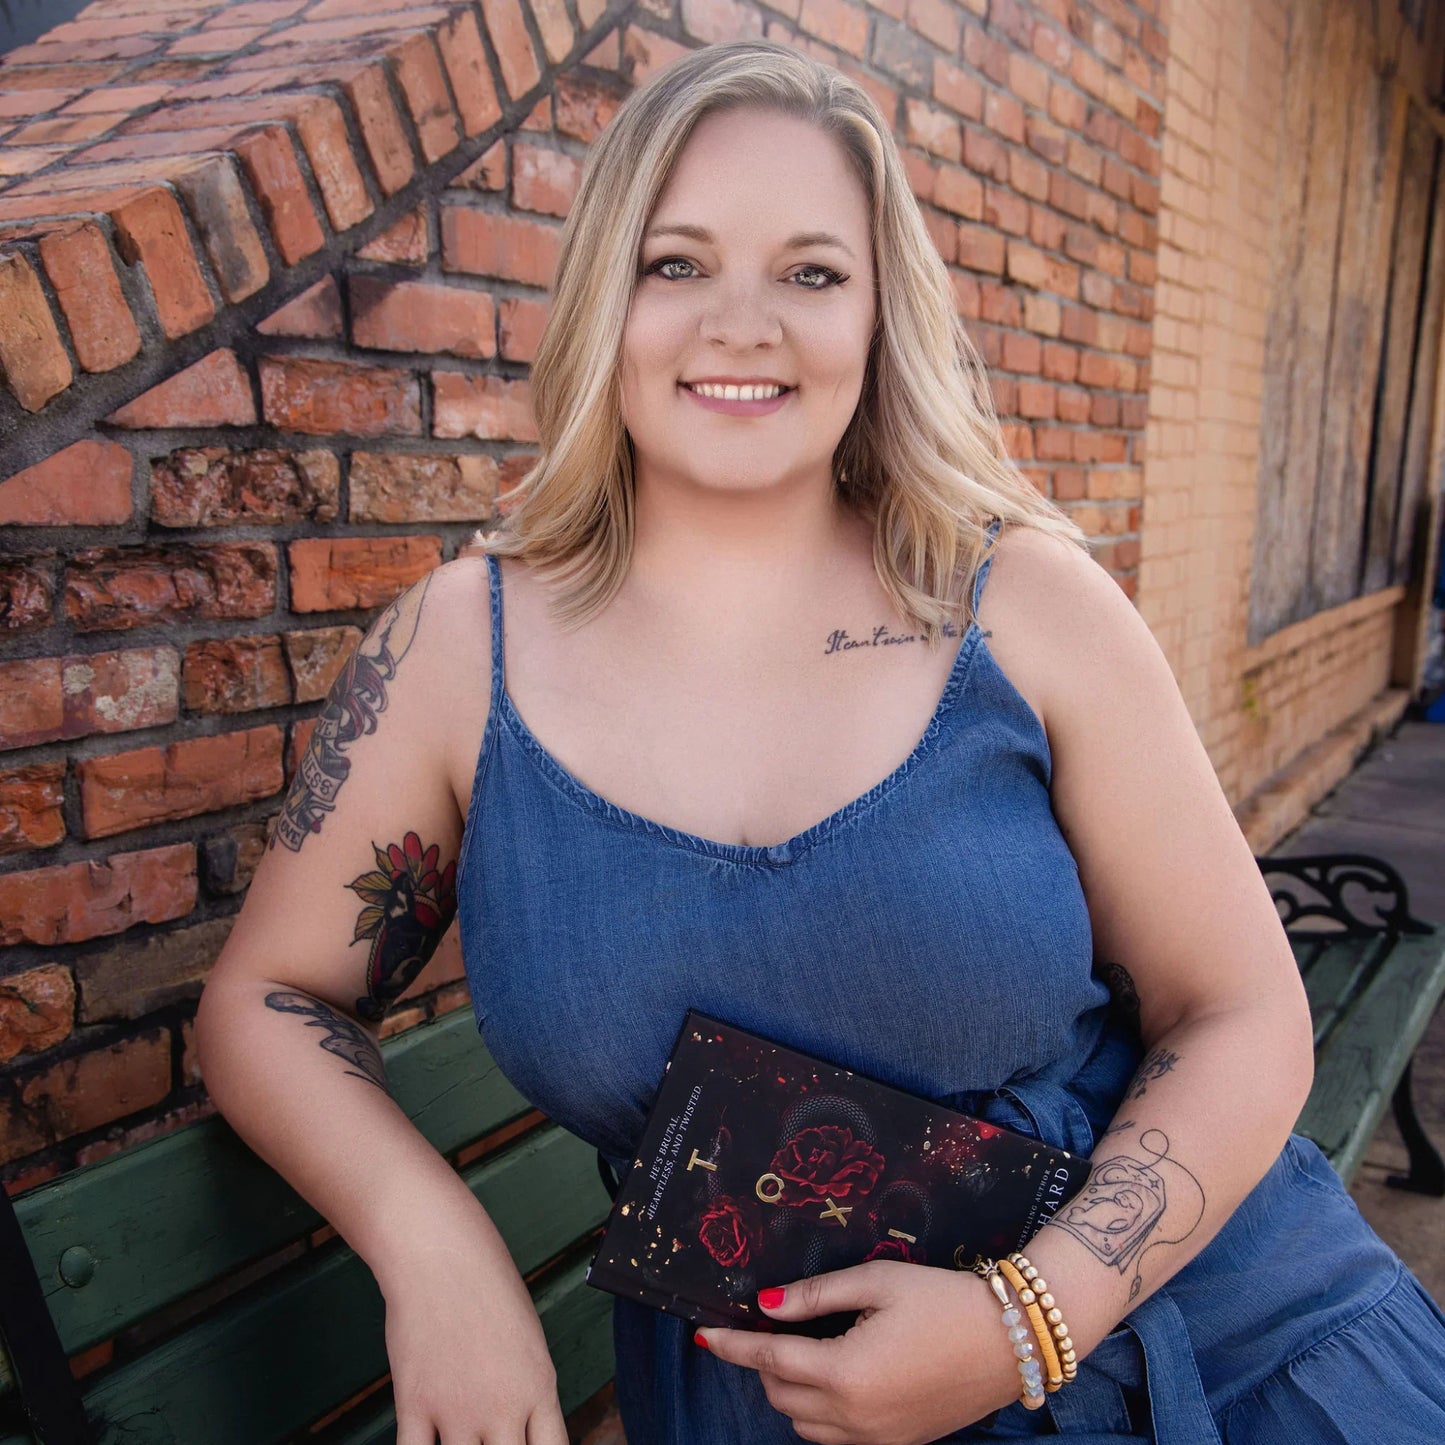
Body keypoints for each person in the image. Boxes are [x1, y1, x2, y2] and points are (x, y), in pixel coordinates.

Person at [195, 37, 1445, 1445]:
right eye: (676, 264)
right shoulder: (452, 657)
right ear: (605, 295)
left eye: (810, 271)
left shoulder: (1020, 608)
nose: (745, 322)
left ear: (875, 317)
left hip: (1208, 1357)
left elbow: (1241, 1009)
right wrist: (434, 1246)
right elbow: (268, 999)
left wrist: (1029, 1317)